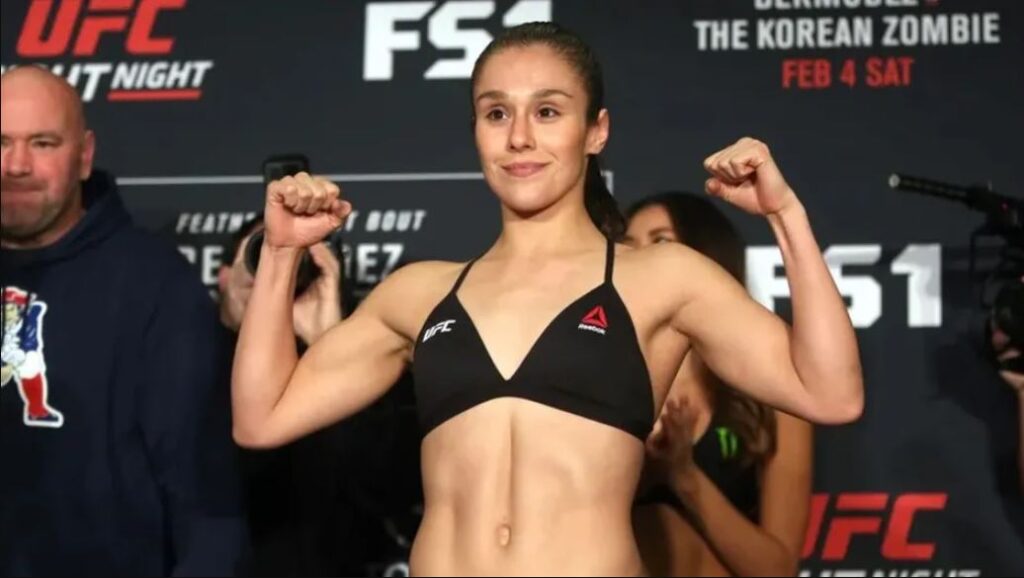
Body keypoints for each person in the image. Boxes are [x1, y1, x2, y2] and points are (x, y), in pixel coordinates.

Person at [232, 22, 863, 576]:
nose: (519, 138)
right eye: (496, 113)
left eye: (549, 112)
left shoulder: (660, 279)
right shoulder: (420, 294)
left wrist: (785, 215)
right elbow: (262, 417)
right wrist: (282, 252)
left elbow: (831, 393)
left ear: (596, 131)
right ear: (476, 131)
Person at [0, 66, 246, 576]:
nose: (16, 165)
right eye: (1, 143)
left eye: (43, 143)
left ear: (84, 155)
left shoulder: (155, 286)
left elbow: (208, 506)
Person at [219, 216, 423, 577]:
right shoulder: (190, 358)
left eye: (292, 262)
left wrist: (329, 343)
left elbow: (386, 486)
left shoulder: (368, 361)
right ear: (223, 276)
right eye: (261, 257)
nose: (274, 274)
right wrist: (244, 335)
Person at [625, 192, 813, 576]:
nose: (641, 259)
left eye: (660, 243)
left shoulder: (772, 396)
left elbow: (777, 570)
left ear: (707, 262)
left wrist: (684, 477)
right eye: (627, 246)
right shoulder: (596, 380)